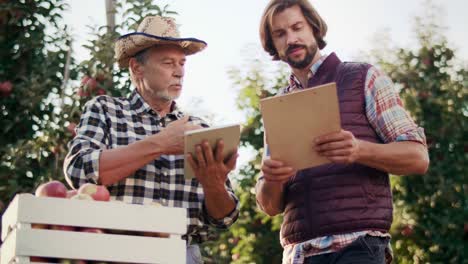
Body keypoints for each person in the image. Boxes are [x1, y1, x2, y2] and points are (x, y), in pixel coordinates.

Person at [255, 1, 429, 263]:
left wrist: (358, 150)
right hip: (298, 255)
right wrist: (272, 179)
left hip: (357, 248)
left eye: (297, 27)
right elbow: (270, 206)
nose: (291, 38)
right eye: (280, 34)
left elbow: (418, 157)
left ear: (314, 28)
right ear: (273, 45)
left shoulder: (364, 77)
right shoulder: (277, 107)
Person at [64, 16, 239, 264]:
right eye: (168, 63)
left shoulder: (199, 129)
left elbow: (225, 218)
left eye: (182, 63)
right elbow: (79, 171)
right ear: (137, 67)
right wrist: (162, 143)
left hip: (183, 255)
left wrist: (214, 184)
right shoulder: (105, 110)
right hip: (114, 253)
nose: (179, 71)